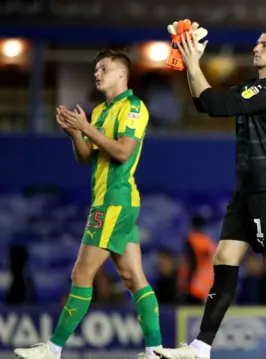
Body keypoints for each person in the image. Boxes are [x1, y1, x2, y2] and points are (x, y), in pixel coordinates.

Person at [153, 28, 266, 359]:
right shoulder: (254, 89)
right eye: (256, 42)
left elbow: (215, 103)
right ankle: (201, 347)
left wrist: (192, 60)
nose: (256, 47)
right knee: (223, 259)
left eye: (264, 44)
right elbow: (202, 103)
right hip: (246, 189)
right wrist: (186, 60)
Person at [14, 49, 163, 359]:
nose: (97, 73)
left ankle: (52, 349)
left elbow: (123, 152)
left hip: (114, 202)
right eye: (95, 69)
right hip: (110, 203)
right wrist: (74, 134)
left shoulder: (134, 108)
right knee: (134, 278)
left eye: (103, 68)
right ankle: (155, 350)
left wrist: (87, 129)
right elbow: (87, 158)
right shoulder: (99, 112)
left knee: (81, 276)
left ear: (122, 73)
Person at [178, 215, 216, 304]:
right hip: (207, 286)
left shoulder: (191, 240)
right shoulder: (209, 242)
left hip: (194, 286)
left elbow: (192, 263)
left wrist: (186, 285)